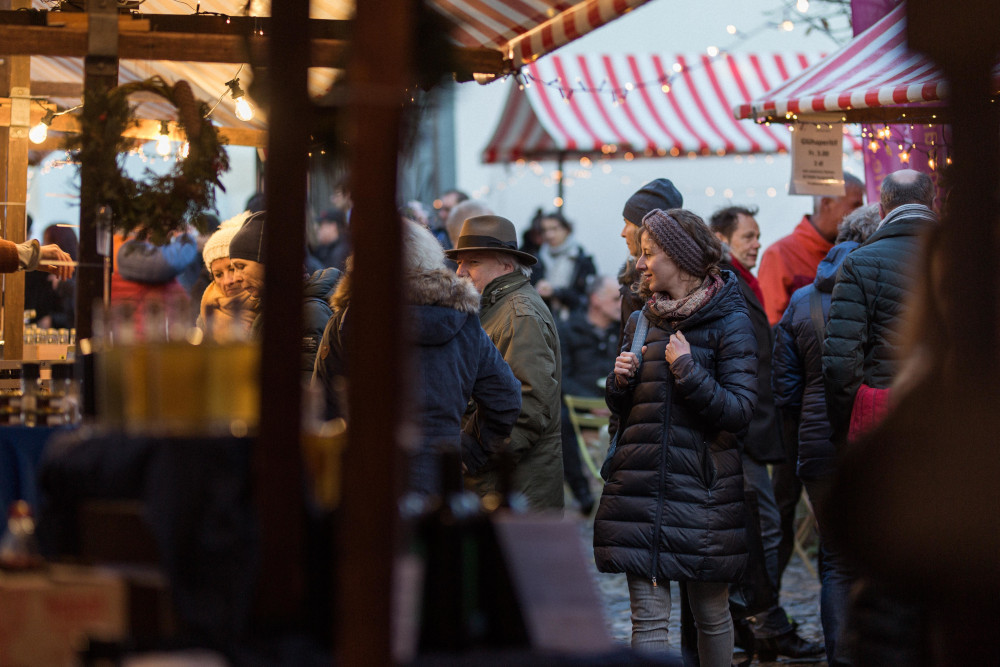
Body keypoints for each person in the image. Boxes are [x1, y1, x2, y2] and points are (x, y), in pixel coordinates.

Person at [593, 208, 757, 665]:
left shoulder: (730, 321)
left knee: (710, 614)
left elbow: (740, 412)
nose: (641, 264)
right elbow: (626, 414)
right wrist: (619, 383)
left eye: (650, 254)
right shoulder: (641, 321)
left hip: (703, 493)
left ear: (681, 257)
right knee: (647, 619)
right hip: (642, 489)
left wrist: (688, 372)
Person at [313, 220, 522, 497]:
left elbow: (322, 407)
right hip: (439, 478)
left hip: (366, 476)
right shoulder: (465, 322)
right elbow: (505, 397)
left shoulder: (348, 321)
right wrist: (469, 451)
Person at [822, 170, 939, 665]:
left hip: (880, 419)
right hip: (948, 419)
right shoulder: (966, 257)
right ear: (932, 200)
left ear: (883, 205)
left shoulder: (862, 262)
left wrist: (850, 420)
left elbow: (839, 362)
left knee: (872, 550)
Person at [710, 205, 822, 661]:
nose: (758, 243)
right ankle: (759, 625)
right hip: (743, 428)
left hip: (753, 425)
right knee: (763, 530)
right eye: (748, 236)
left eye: (757, 235)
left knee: (765, 528)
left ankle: (758, 624)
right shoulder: (727, 282)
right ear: (722, 240)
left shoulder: (742, 279)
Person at [771, 203, 880, 666]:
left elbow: (785, 387)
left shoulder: (802, 300)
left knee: (834, 560)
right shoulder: (881, 289)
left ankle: (840, 658)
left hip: (815, 447)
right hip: (869, 440)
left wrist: (802, 443)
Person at [445, 215, 564, 511]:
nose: (460, 272)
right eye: (459, 262)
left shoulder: (518, 314)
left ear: (506, 266)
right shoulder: (495, 305)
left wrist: (471, 454)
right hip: (499, 483)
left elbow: (528, 404)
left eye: (473, 262)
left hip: (514, 487)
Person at [229, 211, 342, 385]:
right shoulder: (267, 310)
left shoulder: (309, 313)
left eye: (241, 266)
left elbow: (305, 391)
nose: (235, 278)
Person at [758, 174, 865, 326]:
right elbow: (772, 325)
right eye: (856, 205)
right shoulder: (779, 254)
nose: (861, 213)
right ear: (826, 203)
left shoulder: (854, 252)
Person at [555, 275, 621, 515]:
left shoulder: (624, 328)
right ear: (595, 299)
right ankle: (581, 492)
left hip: (616, 401)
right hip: (579, 404)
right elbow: (561, 375)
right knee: (560, 420)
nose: (621, 303)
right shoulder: (567, 329)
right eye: (615, 298)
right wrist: (591, 404)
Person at [196, 212, 257, 342]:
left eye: (233, 269)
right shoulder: (207, 312)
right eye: (218, 275)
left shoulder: (271, 308)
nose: (228, 281)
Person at [530, 209, 597, 318]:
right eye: (545, 230)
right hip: (543, 319)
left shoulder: (582, 260)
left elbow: (586, 297)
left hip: (574, 322)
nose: (549, 235)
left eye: (554, 229)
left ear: (567, 230)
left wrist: (556, 292)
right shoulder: (536, 260)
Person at [308, 208, 350, 273]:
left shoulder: (342, 253)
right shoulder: (326, 248)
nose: (318, 229)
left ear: (333, 226)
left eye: (321, 225)